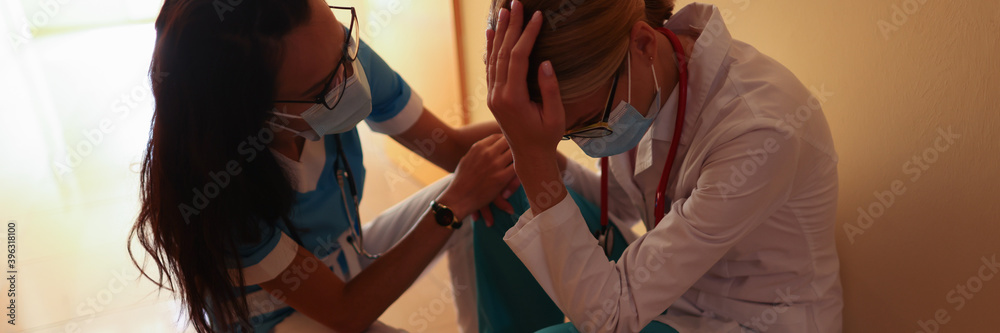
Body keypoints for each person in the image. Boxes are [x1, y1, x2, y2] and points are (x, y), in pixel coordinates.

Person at [128, 0, 517, 332]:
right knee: (466, 199)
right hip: (280, 314)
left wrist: (552, 116)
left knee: (500, 177)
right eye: (322, 88)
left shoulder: (331, 57)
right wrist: (455, 201)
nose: (350, 78)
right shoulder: (219, 190)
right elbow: (345, 312)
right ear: (250, 114)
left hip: (341, 257)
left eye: (344, 46)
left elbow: (451, 148)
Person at [484, 0, 843, 332]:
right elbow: (623, 203)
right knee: (507, 193)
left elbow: (610, 319)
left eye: (591, 122)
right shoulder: (651, 77)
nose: (588, 142)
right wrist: (533, 162)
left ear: (642, 44)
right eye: (566, 134)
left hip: (739, 319)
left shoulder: (759, 129)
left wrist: (532, 158)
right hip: (669, 289)